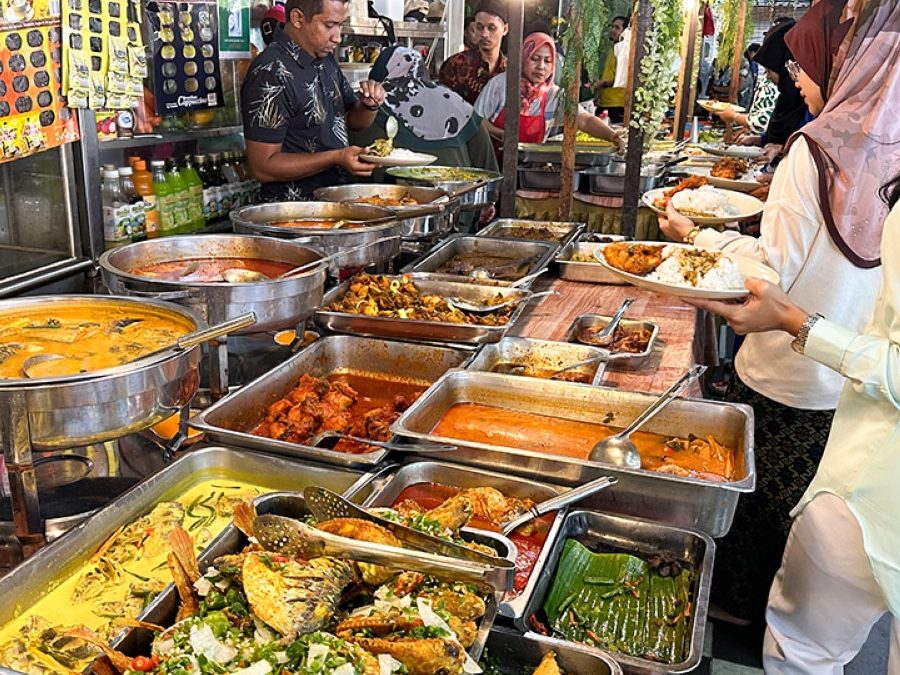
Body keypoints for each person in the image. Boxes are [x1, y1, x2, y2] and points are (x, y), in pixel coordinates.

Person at [658, 0, 889, 634]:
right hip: (854, 389)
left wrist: (695, 234)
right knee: (805, 526)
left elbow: (764, 279)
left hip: (787, 373)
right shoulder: (888, 153)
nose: (794, 77)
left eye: (803, 65)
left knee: (758, 524)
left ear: (847, 60)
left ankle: (738, 619)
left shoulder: (813, 156)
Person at [241, 0, 386, 201]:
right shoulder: (270, 71)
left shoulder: (325, 60)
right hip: (293, 215)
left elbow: (353, 121)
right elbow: (263, 167)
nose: (337, 37)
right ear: (298, 18)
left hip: (335, 201)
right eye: (329, 25)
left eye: (340, 25)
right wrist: (336, 158)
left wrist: (369, 105)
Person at [349, 46, 498, 172]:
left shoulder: (366, 105)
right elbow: (489, 169)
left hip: (385, 196)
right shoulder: (458, 105)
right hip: (454, 194)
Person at [474, 32, 622, 155]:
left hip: (529, 169)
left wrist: (612, 136)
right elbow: (476, 120)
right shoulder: (501, 85)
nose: (541, 66)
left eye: (547, 61)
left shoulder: (555, 95)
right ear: (523, 59)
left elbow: (584, 120)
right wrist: (502, 134)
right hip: (494, 161)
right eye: (535, 59)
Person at [740, 18, 809, 164]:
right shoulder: (787, 100)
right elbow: (779, 137)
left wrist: (782, 148)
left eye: (769, 70)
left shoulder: (808, 103)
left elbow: (807, 145)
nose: (767, 75)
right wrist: (761, 140)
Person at [438, 0, 508, 104]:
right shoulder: (455, 64)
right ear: (474, 27)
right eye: (479, 27)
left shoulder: (511, 71)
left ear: (505, 29)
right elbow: (443, 105)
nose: (484, 34)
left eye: (491, 28)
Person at [593, 15, 629, 123]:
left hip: (616, 105)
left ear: (625, 32)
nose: (613, 30)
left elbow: (622, 80)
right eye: (612, 27)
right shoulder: (613, 48)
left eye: (617, 28)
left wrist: (602, 84)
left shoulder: (625, 52)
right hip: (603, 103)